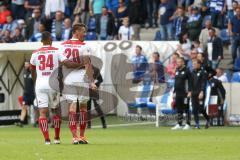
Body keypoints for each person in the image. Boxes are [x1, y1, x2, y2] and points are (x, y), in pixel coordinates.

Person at [30, 31, 83, 144]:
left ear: (41, 41)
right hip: (52, 84)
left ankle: (46, 140)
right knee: (56, 111)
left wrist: (36, 82)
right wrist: (81, 64)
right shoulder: (56, 50)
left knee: (42, 113)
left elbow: (32, 70)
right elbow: (67, 64)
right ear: (50, 39)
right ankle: (57, 138)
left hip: (40, 85)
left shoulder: (35, 53)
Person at [59, 23, 95, 144]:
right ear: (75, 32)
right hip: (82, 79)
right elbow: (88, 65)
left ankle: (75, 137)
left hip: (68, 80)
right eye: (83, 31)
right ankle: (82, 136)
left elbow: (64, 64)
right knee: (83, 108)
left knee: (72, 108)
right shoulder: (85, 46)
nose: (85, 34)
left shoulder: (62, 46)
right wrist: (92, 82)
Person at [172, 57, 192, 130]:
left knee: (186, 108)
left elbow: (190, 82)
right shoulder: (177, 70)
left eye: (179, 62)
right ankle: (179, 124)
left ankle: (188, 124)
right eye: (177, 62)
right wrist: (174, 92)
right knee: (179, 109)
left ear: (183, 62)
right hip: (178, 93)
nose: (178, 63)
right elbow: (176, 83)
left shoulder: (187, 71)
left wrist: (190, 91)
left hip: (185, 93)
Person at [190, 59, 210, 129]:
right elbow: (190, 83)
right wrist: (190, 91)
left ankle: (208, 119)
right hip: (193, 93)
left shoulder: (203, 72)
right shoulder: (192, 72)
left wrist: (202, 91)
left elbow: (204, 83)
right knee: (194, 109)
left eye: (195, 64)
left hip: (200, 93)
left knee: (201, 109)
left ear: (199, 64)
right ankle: (197, 124)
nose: (193, 65)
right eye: (193, 64)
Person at [87, 64, 107, 129]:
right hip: (86, 92)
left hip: (94, 92)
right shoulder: (84, 69)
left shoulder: (96, 69)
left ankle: (104, 123)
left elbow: (100, 79)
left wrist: (95, 85)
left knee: (97, 107)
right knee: (88, 108)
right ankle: (89, 125)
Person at [16, 61, 35, 127]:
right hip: (26, 94)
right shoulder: (24, 72)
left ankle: (36, 122)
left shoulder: (33, 72)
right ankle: (21, 122)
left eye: (27, 64)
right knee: (24, 107)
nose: (25, 65)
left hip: (33, 94)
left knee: (36, 108)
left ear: (30, 65)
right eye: (25, 64)